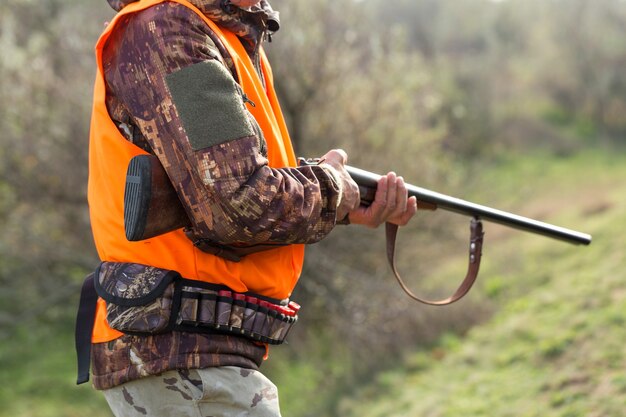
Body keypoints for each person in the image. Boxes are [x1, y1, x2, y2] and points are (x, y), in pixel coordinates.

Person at [81, 0, 417, 415]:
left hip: (201, 353)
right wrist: (334, 191)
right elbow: (237, 201)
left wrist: (343, 203)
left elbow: (223, 177)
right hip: (182, 362)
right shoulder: (171, 33)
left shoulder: (223, 35)